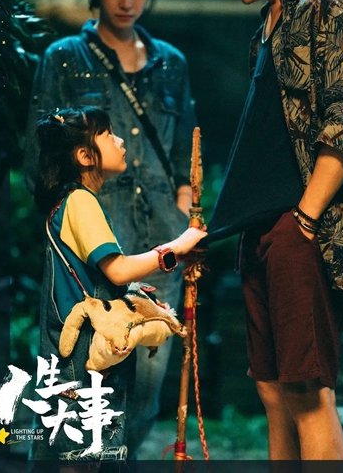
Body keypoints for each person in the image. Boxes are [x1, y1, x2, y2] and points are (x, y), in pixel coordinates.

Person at [197, 0, 343, 460]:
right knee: (272, 392)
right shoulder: (267, 24)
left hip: (300, 229)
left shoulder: (325, 1)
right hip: (262, 228)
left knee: (307, 392)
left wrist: (305, 219)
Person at [24, 0, 197, 456]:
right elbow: (38, 155)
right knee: (77, 382)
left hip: (161, 244)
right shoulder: (64, 57)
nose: (127, 2)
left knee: (143, 392)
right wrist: (64, 226)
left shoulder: (171, 62)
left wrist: (183, 218)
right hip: (94, 249)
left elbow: (186, 150)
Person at [29, 105, 206, 472]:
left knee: (78, 455)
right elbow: (119, 269)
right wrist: (178, 245)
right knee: (80, 459)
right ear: (84, 156)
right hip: (82, 358)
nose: (121, 141)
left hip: (72, 353)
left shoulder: (71, 202)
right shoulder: (80, 201)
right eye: (109, 135)